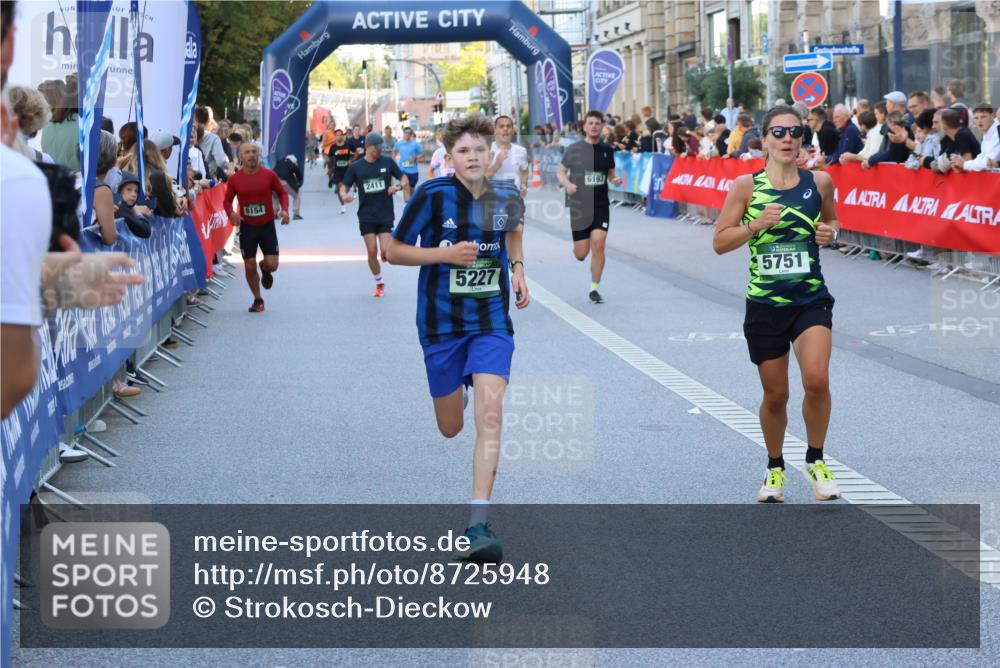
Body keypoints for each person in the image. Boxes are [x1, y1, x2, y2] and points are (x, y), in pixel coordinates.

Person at [386, 114, 529, 563]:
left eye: (479, 150)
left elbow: (513, 232)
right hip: (441, 324)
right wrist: (443, 254)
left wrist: (518, 269)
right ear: (450, 158)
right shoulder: (432, 194)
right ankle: (458, 393)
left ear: (492, 156)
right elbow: (392, 250)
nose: (472, 157)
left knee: (492, 412)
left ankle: (478, 523)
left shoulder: (505, 193)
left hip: (490, 321)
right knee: (451, 428)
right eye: (463, 151)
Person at [712, 105, 842, 504]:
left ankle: (816, 460)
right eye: (779, 132)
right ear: (764, 141)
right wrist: (754, 226)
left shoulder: (819, 182)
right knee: (776, 396)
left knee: (816, 380)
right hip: (766, 304)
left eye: (795, 132)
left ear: (803, 138)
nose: (788, 139)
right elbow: (720, 242)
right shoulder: (745, 187)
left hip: (809, 298)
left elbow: (835, 224)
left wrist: (829, 234)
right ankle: (774, 466)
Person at [557, 110, 622, 304]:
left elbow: (610, 172)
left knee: (599, 244)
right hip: (579, 205)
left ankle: (594, 288)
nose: (594, 126)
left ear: (602, 126)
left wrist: (615, 179)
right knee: (581, 254)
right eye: (590, 123)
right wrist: (568, 185)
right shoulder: (574, 149)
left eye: (597, 123)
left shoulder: (607, 149)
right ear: (585, 126)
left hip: (600, 204)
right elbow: (560, 172)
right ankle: (579, 248)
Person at [339, 132, 407, 298]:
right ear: (368, 147)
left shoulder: (387, 162)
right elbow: (344, 185)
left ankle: (384, 256)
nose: (380, 152)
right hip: (366, 214)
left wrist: (397, 187)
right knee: (371, 249)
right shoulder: (356, 166)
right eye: (378, 148)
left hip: (385, 213)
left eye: (382, 148)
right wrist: (343, 195)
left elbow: (404, 177)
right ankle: (379, 282)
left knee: (386, 251)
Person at [223, 143, 289, 313]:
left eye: (254, 152)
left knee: (272, 265)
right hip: (247, 227)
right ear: (241, 156)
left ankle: (265, 269)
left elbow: (282, 192)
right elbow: (227, 201)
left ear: (258, 154)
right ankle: (258, 300)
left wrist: (285, 210)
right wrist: (231, 214)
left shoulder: (269, 175)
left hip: (266, 225)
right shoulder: (235, 179)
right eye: (247, 152)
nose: (251, 155)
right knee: (249, 265)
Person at [486, 115, 529, 199]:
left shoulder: (521, 151)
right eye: (501, 126)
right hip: (492, 200)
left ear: (512, 130)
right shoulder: (486, 150)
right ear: (495, 130)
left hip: (514, 199)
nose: (505, 129)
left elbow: (525, 171)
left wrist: (523, 185)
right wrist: (497, 164)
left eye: (508, 126)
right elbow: (479, 179)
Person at [953, 103, 999, 172]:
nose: (979, 121)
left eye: (983, 117)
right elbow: (982, 157)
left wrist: (965, 165)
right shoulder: (987, 133)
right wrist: (965, 166)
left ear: (992, 116)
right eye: (976, 118)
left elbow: (989, 162)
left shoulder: (997, 132)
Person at [393, 126, 423, 202]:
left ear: (411, 134)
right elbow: (394, 152)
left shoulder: (415, 144)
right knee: (406, 187)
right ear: (403, 133)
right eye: (406, 132)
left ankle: (411, 207)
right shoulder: (398, 144)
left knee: (411, 191)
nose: (407, 134)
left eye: (409, 133)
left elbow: (422, 154)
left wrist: (415, 158)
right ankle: (407, 206)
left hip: (413, 171)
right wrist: (393, 162)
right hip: (403, 170)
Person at [328, 129, 353, 212]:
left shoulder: (348, 145)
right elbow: (330, 159)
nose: (339, 136)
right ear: (335, 136)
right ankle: (343, 206)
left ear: (342, 136)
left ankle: (345, 194)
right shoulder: (333, 147)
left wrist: (351, 160)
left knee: (347, 187)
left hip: (347, 170)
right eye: (337, 135)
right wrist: (330, 171)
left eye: (340, 135)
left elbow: (354, 154)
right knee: (339, 187)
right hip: (337, 170)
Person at [273, 153, 304, 220]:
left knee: (275, 196)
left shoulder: (279, 162)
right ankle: (296, 214)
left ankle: (274, 214)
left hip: (274, 181)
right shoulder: (292, 164)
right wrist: (297, 184)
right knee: (296, 195)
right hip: (284, 182)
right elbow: (299, 176)